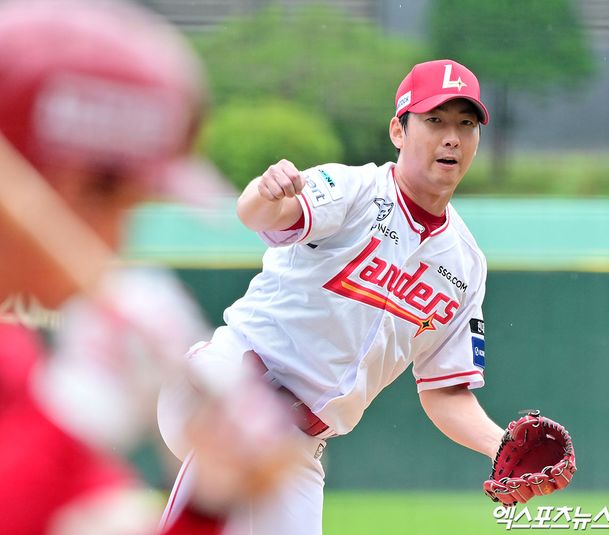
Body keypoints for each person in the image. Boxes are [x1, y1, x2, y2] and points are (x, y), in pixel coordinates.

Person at [158, 59, 526, 534]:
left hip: (296, 441)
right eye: (435, 120)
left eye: (466, 124)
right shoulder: (353, 189)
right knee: (241, 436)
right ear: (398, 130)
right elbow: (260, 214)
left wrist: (501, 446)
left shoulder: (466, 264)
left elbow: (445, 390)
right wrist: (263, 192)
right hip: (227, 382)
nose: (452, 137)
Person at [0, 1, 296, 534]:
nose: (118, 241)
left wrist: (209, 500)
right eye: (114, 204)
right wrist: (79, 418)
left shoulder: (13, 360)